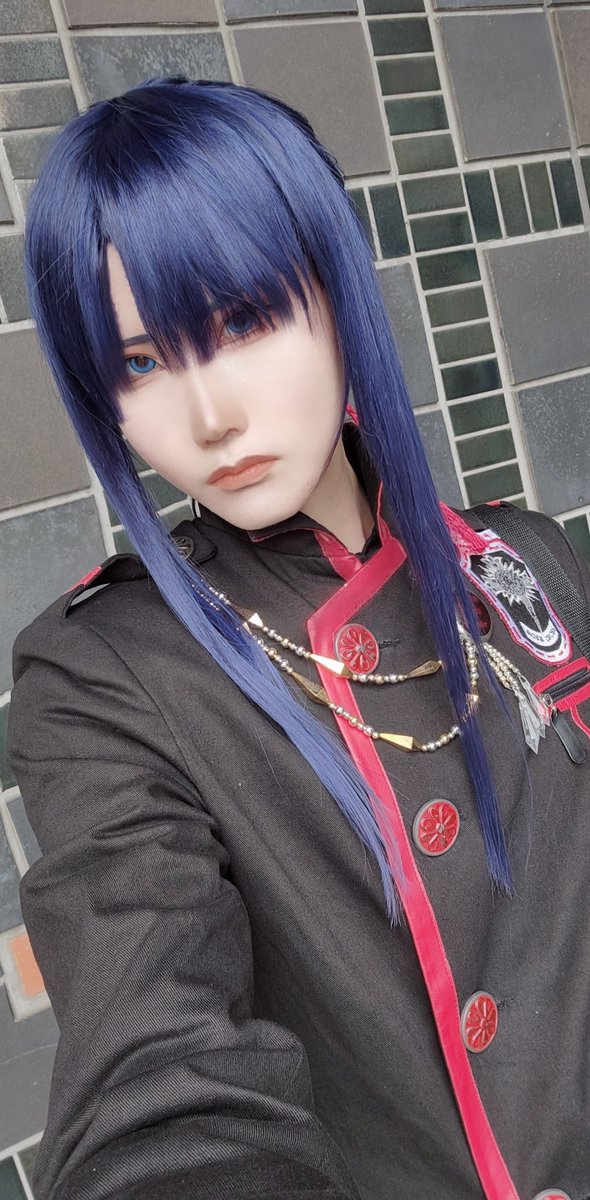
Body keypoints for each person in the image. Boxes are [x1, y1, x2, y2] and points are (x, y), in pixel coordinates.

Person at [7, 75, 590, 1200]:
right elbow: (156, 1078)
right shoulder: (104, 675)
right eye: (141, 363)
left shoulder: (525, 561)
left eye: (242, 321)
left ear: (337, 285)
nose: (209, 416)